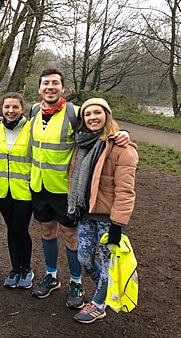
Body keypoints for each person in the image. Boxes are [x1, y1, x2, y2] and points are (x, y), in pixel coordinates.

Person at [29, 68, 130, 309]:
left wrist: (123, 133)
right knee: (46, 231)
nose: (50, 87)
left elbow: (101, 125)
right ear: (39, 88)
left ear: (63, 88)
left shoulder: (75, 113)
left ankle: (76, 282)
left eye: (55, 83)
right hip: (39, 185)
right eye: (45, 83)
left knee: (70, 235)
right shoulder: (33, 110)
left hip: (66, 190)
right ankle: (51, 276)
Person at [67, 98, 138, 323]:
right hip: (86, 214)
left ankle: (99, 304)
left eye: (97, 113)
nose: (92, 117)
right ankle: (105, 289)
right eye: (87, 114)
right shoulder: (82, 143)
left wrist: (118, 223)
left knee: (108, 262)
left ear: (107, 115)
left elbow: (126, 191)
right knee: (84, 259)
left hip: (108, 219)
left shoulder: (121, 147)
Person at [0, 93, 34, 289]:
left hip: (23, 189)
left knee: (20, 228)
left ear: (22, 109)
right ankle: (15, 268)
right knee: (11, 229)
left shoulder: (30, 128)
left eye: (15, 107)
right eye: (7, 107)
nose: (10, 111)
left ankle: (26, 269)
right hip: (2, 189)